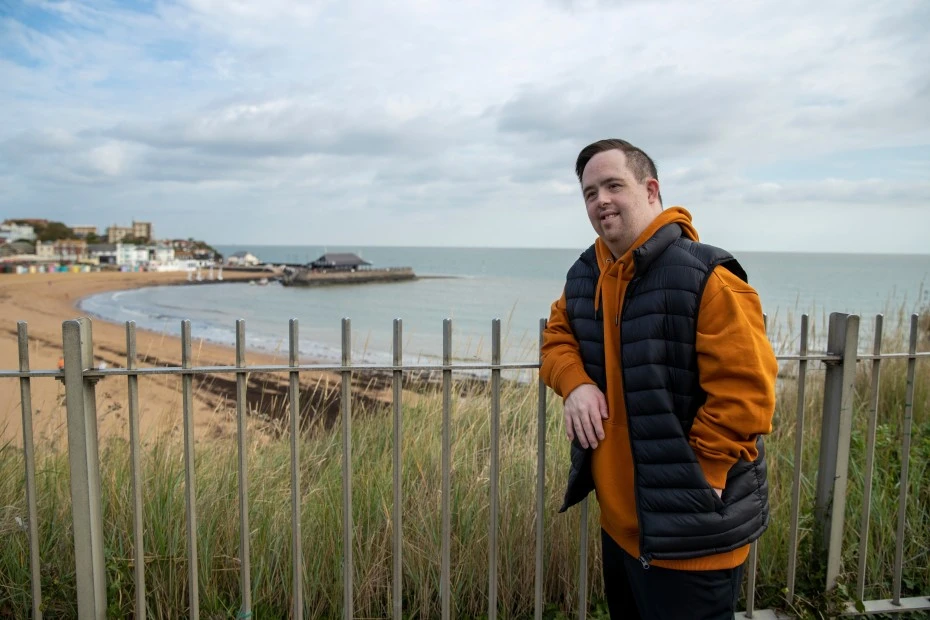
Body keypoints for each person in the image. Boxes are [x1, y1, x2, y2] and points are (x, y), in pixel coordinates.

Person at [541, 139, 778, 619]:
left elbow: (747, 391)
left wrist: (703, 475)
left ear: (651, 190)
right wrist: (576, 383)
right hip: (621, 529)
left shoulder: (707, 275)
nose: (600, 200)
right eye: (590, 192)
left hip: (693, 531)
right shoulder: (586, 273)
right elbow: (556, 338)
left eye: (613, 185)